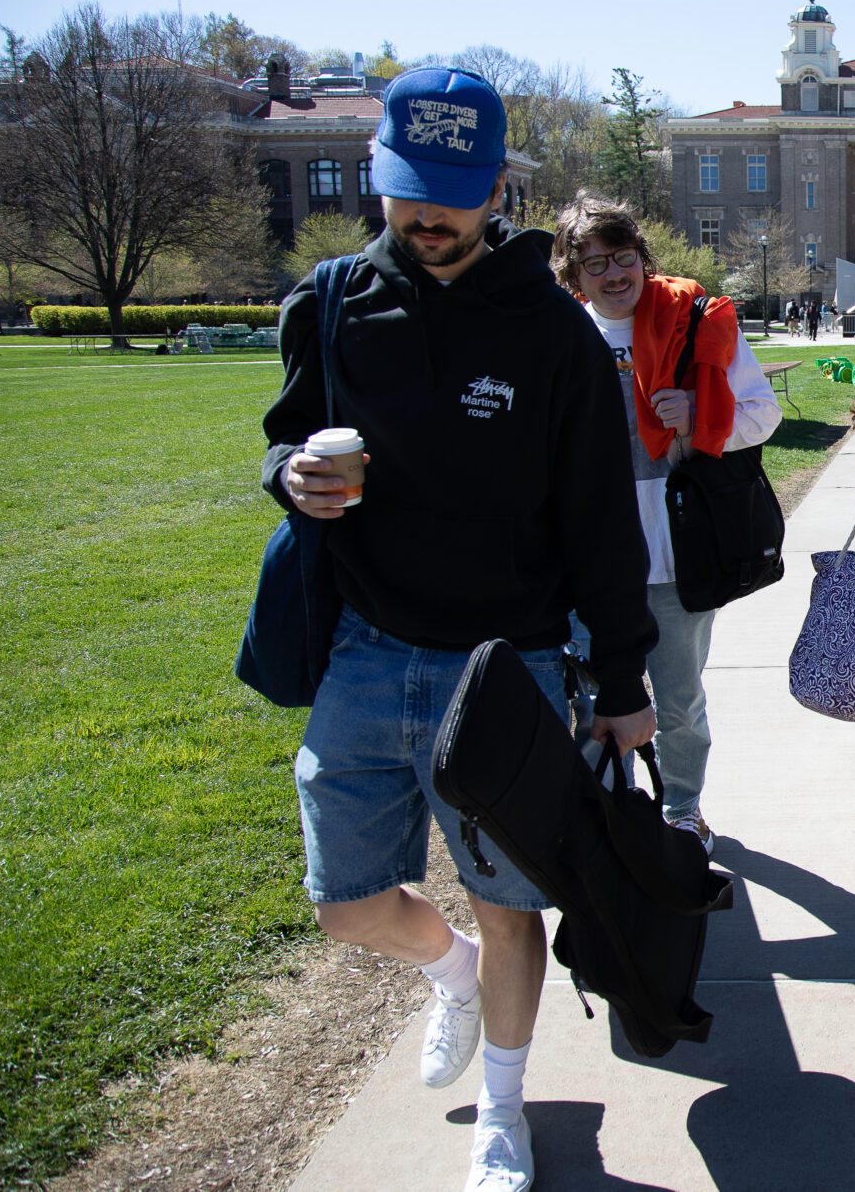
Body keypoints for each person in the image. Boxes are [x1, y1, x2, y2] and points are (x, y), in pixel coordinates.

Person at [263, 67, 659, 1192]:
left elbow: (598, 526)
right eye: (405, 193)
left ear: (496, 189)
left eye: (450, 196)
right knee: (345, 908)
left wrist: (623, 678)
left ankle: (503, 1107)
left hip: (509, 666)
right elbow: (283, 437)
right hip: (365, 647)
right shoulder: (333, 302)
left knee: (509, 902)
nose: (425, 219)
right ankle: (446, 971)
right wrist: (289, 477)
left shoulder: (553, 334)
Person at [550, 194, 782, 853]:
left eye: (623, 257)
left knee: (678, 701)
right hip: (585, 561)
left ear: (643, 259)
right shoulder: (558, 335)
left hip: (679, 553)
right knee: (590, 702)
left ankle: (682, 809)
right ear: (573, 274)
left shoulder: (695, 321)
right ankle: (612, 808)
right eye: (593, 263)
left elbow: (763, 416)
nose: (612, 273)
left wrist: (702, 421)